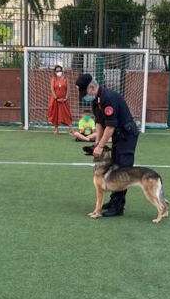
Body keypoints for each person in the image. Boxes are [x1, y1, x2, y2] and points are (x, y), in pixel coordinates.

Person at [77, 74, 138, 218]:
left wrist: (100, 147)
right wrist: (98, 143)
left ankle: (118, 207)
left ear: (93, 88)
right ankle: (113, 201)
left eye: (85, 92)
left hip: (126, 136)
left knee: (122, 170)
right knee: (114, 167)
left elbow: (110, 127)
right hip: (117, 136)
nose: (85, 96)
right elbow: (99, 123)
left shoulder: (107, 99)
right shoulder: (96, 101)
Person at [48, 65, 72, 136]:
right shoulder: (53, 79)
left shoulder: (65, 79)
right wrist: (56, 98)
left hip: (64, 100)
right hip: (55, 100)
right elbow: (52, 89)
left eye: (60, 70)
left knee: (67, 114)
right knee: (55, 114)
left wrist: (66, 97)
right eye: (57, 71)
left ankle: (70, 128)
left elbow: (68, 89)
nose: (59, 72)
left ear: (62, 71)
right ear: (55, 72)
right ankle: (56, 128)